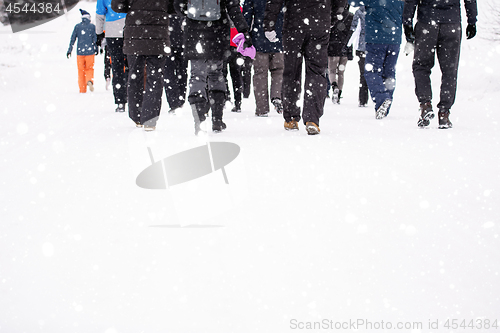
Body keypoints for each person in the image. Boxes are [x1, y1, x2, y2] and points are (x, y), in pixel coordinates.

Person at [264, 0, 347, 135]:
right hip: (320, 22)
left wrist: (269, 23)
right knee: (317, 71)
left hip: (294, 23)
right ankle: (312, 119)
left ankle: (291, 118)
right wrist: (333, 16)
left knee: (291, 71)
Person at [174, 0, 252, 134]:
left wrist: (190, 13)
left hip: (194, 31)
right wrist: (243, 30)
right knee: (216, 75)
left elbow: (178, 5)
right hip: (218, 30)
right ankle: (217, 120)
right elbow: (232, 7)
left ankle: (199, 121)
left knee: (197, 76)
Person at [403, 0, 478, 129]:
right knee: (450, 70)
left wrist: (407, 22)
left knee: (421, 66)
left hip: (427, 22)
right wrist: (472, 21)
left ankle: (425, 104)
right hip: (452, 24)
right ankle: (444, 113)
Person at [112, 0, 173, 131]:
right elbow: (174, 7)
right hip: (158, 35)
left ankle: (137, 116)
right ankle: (150, 119)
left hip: (135, 36)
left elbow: (117, 6)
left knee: (135, 75)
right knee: (155, 77)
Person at [350, 0, 404, 119]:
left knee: (371, 72)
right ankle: (384, 107)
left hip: (376, 39)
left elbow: (352, 2)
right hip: (395, 40)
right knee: (389, 74)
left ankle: (382, 99)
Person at [243, 0, 284, 117]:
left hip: (259, 38)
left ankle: (262, 108)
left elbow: (247, 14)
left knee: (260, 73)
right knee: (279, 71)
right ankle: (277, 96)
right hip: (279, 37)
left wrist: (246, 33)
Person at [96, 0, 128, 112]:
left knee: (117, 67)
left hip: (112, 33)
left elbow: (100, 14)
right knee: (132, 66)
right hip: (130, 30)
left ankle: (120, 102)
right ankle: (133, 97)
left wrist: (99, 33)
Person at [162, 3, 188, 114]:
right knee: (182, 70)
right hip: (182, 36)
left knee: (168, 71)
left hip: (167, 37)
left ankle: (174, 102)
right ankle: (180, 99)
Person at [328, 2, 353, 104]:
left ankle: (334, 86)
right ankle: (339, 93)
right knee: (341, 72)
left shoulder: (332, 15)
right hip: (345, 47)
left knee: (332, 70)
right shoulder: (351, 16)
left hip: (333, 46)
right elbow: (352, 32)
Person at [67, 9, 97, 94]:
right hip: (90, 53)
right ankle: (89, 80)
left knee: (81, 71)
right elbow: (95, 39)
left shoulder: (77, 27)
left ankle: (82, 90)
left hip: (80, 53)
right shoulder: (92, 27)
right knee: (89, 68)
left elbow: (72, 39)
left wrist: (69, 50)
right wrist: (96, 49)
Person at [349, 5, 369, 107]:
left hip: (361, 47)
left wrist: (348, 44)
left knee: (363, 74)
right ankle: (378, 96)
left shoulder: (359, 12)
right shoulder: (377, 9)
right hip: (375, 45)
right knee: (374, 73)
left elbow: (354, 28)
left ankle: (362, 99)